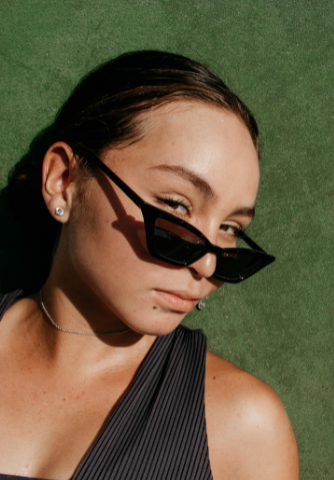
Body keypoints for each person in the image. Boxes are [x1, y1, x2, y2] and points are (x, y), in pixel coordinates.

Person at [0, 51, 299, 480]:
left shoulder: (241, 431)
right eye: (177, 205)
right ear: (64, 181)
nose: (209, 261)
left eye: (230, 228)